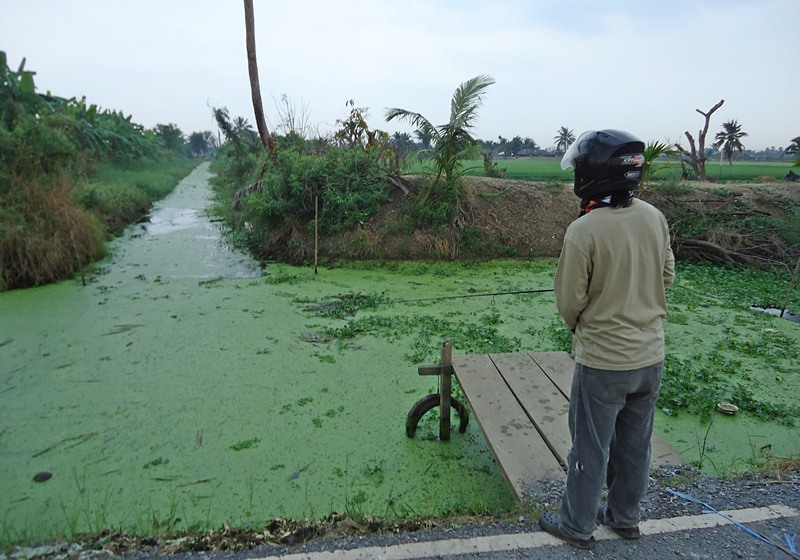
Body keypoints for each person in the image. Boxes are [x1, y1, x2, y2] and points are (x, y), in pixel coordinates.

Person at [538, 129, 676, 550]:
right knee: (635, 445)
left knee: (590, 446)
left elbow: (569, 301)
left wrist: (588, 324)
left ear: (593, 174)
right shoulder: (654, 217)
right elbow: (667, 276)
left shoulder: (584, 230)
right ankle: (625, 517)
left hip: (603, 363)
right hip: (650, 358)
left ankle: (577, 525)